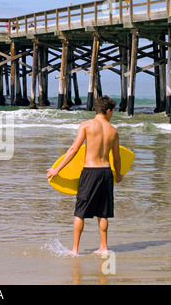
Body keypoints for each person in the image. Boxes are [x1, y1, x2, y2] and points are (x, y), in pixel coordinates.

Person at [47, 96, 123, 256]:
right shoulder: (113, 131)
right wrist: (119, 174)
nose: (112, 115)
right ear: (108, 111)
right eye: (112, 112)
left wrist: (57, 169)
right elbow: (116, 158)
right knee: (103, 212)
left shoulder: (86, 125)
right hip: (106, 172)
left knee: (80, 211)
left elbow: (73, 150)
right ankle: (104, 247)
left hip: (90, 171)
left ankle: (75, 249)